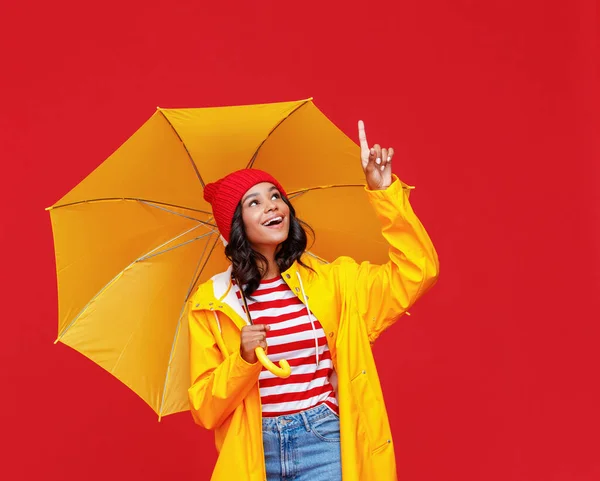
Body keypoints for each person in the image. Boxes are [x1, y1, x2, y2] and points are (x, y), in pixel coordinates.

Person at [188, 120, 439, 481]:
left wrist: (385, 195)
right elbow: (205, 409)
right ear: (236, 226)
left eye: (276, 196)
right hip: (253, 451)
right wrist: (243, 360)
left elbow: (419, 271)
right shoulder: (212, 303)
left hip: (322, 439)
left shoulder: (333, 281)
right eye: (254, 202)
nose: (272, 206)